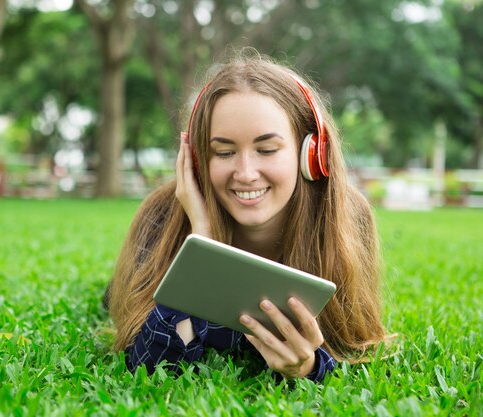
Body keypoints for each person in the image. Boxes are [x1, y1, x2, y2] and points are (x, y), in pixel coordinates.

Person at [105, 52, 389, 382]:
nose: (245, 173)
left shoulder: (347, 217)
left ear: (311, 153)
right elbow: (148, 370)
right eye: (224, 152)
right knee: (112, 294)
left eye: (266, 150)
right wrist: (201, 242)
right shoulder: (163, 215)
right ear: (198, 161)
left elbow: (353, 347)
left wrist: (309, 369)